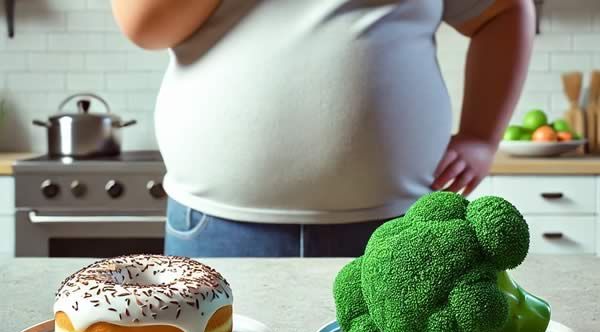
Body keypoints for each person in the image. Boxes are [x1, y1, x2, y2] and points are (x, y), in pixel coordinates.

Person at [112, 0, 534, 257]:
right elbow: (146, 27)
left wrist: (481, 137)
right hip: (218, 224)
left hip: (392, 226)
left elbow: (503, 11)